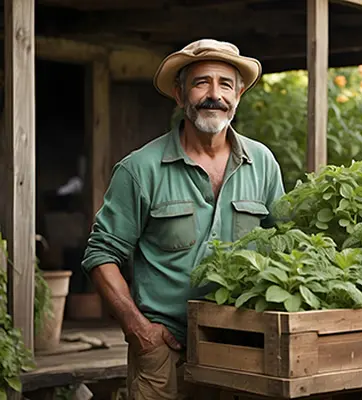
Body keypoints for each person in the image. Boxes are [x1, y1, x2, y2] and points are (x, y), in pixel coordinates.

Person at [81, 38, 285, 400]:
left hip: (243, 350)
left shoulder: (263, 163)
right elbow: (100, 254)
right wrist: (138, 330)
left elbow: (286, 243)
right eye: (201, 82)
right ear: (179, 95)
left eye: (225, 84)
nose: (214, 94)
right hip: (164, 353)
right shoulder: (140, 169)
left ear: (238, 95)